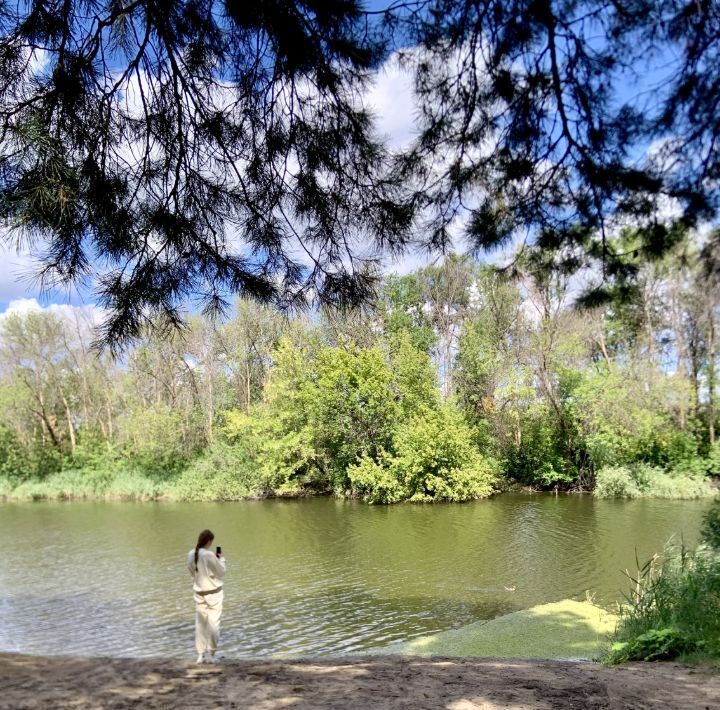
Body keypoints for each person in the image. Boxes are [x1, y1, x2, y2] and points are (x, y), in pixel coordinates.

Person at [187, 529, 226, 663]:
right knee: (213, 623)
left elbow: (192, 573)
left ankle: (200, 655)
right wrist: (221, 559)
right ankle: (211, 654)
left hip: (198, 593)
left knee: (200, 624)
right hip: (214, 593)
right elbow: (221, 572)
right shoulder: (209, 555)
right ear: (209, 541)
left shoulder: (191, 554)